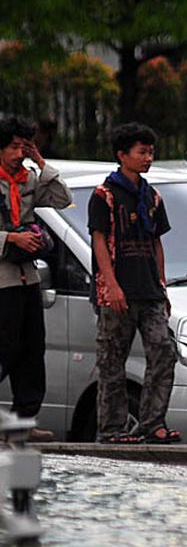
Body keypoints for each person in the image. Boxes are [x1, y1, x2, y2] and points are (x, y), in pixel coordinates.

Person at [88, 123, 178, 444]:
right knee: (112, 360)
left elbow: (157, 243)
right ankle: (112, 428)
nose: (148, 158)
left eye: (151, 152)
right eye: (141, 152)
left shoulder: (151, 195)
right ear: (122, 155)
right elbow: (99, 240)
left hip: (149, 290)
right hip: (116, 291)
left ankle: (153, 422)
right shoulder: (105, 195)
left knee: (164, 351)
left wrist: (162, 285)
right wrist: (110, 285)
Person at [0, 116, 72, 442]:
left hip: (27, 278)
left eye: (24, 146)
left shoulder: (28, 179)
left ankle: (23, 421)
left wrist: (41, 162)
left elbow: (61, 198)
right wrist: (11, 239)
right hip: (2, 279)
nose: (19, 153)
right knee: (5, 349)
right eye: (13, 146)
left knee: (32, 350)